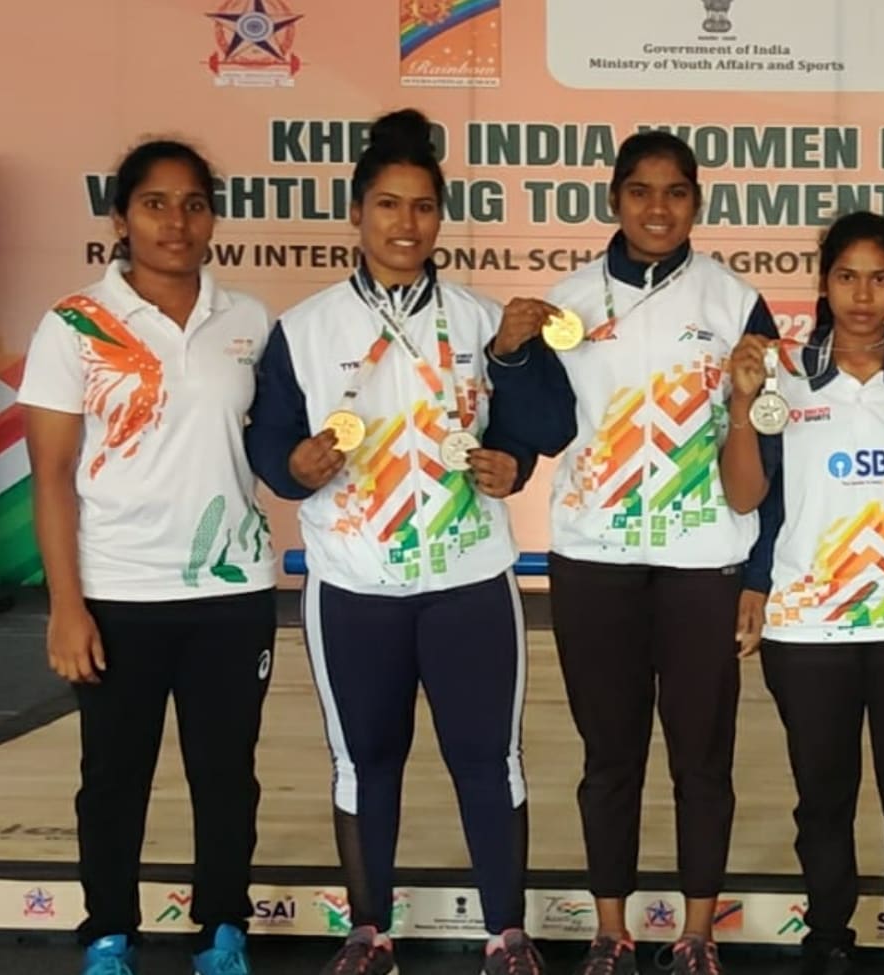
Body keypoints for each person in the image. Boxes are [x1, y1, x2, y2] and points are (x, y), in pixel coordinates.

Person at [244, 109, 562, 975]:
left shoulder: (484, 320)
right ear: (356, 212)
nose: (405, 224)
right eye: (388, 205)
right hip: (352, 580)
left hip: (466, 579)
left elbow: (543, 423)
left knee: (486, 756)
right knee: (365, 757)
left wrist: (512, 460)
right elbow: (270, 439)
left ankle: (508, 934)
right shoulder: (304, 330)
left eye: (422, 207)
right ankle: (368, 931)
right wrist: (294, 462)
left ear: (439, 216)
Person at [492, 130, 776, 975]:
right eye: (642, 191)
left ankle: (696, 935)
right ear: (614, 199)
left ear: (698, 202)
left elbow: (771, 441)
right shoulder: (569, 302)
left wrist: (756, 574)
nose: (659, 208)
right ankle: (610, 932)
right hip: (594, 557)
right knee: (609, 756)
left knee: (702, 757)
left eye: (676, 192)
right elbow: (542, 430)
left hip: (703, 561)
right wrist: (511, 356)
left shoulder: (734, 301)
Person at [21, 139, 277, 975]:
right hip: (118, 590)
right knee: (114, 778)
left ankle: (223, 931)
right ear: (120, 218)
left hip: (232, 592)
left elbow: (273, 448)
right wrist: (68, 605)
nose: (177, 221)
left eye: (194, 203)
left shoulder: (247, 320)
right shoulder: (73, 325)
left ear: (213, 217)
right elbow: (52, 479)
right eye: (156, 203)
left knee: (225, 776)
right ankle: (108, 933)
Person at [719, 211, 884, 975]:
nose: (863, 294)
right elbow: (746, 496)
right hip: (806, 629)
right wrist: (741, 405)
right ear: (824, 281)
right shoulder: (780, 376)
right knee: (824, 802)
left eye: (879, 277)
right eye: (847, 276)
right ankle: (829, 936)